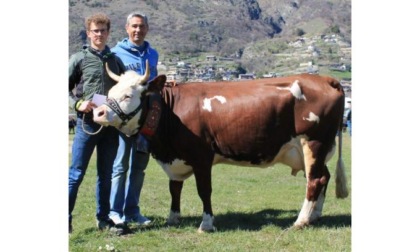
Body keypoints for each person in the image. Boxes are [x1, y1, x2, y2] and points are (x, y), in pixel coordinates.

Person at [68, 13, 126, 234]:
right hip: (86, 125)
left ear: (108, 33)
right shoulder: (79, 58)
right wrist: (77, 104)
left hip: (110, 128)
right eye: (95, 30)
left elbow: (127, 88)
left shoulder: (115, 60)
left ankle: (103, 219)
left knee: (105, 175)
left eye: (103, 30)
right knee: (76, 174)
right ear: (89, 32)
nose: (99, 34)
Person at [108, 12, 159, 231]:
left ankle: (133, 210)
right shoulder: (115, 53)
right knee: (120, 167)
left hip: (146, 124)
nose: (138, 30)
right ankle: (115, 213)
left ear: (147, 28)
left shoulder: (153, 54)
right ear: (127, 28)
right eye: (134, 26)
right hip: (123, 123)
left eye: (142, 26)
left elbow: (152, 86)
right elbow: (108, 90)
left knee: (139, 168)